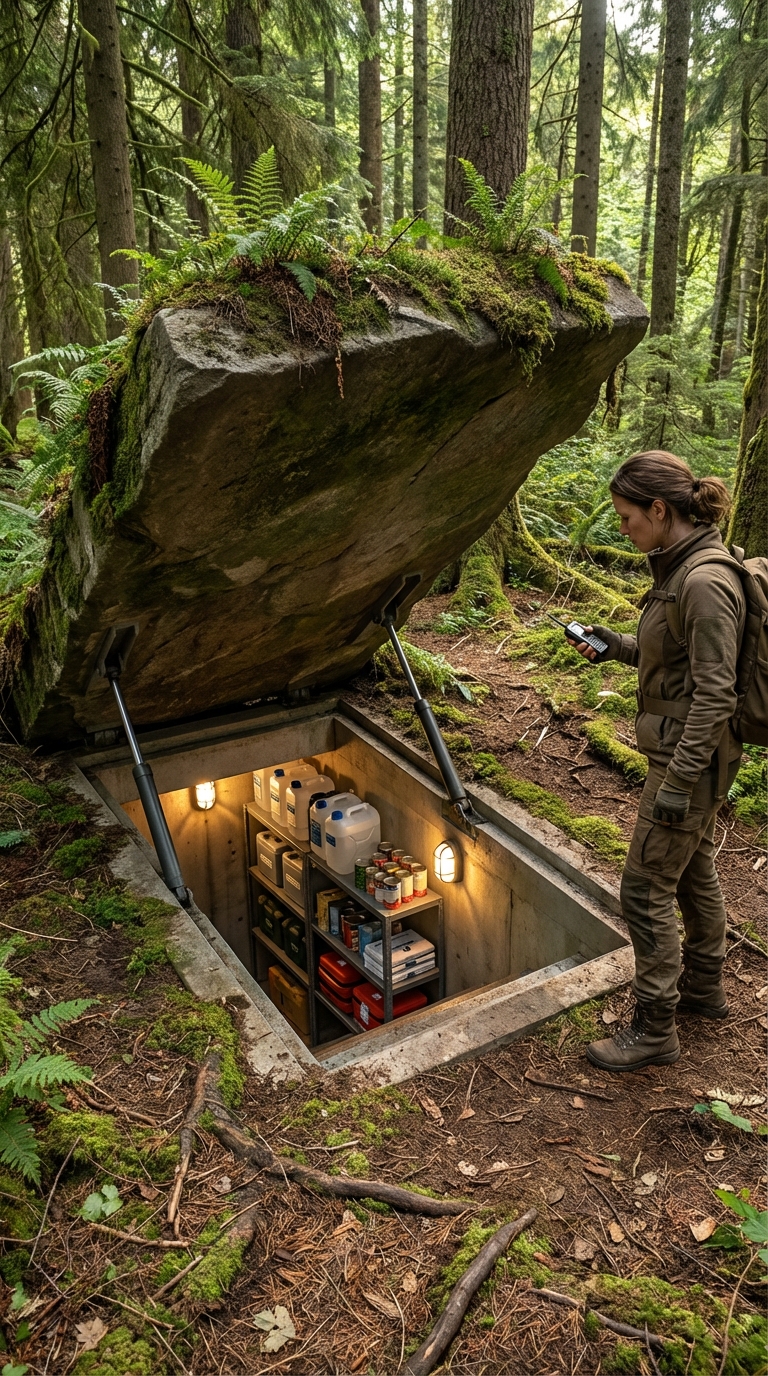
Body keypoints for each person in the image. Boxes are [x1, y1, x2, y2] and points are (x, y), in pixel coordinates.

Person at [568, 450, 746, 1072]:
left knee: (643, 889)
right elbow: (676, 664)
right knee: (693, 872)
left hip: (688, 763)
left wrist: (679, 781)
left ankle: (654, 1028)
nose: (623, 529)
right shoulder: (679, 570)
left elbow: (716, 693)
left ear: (659, 509)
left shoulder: (703, 582)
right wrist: (616, 645)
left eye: (626, 518)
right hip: (684, 759)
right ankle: (702, 989)